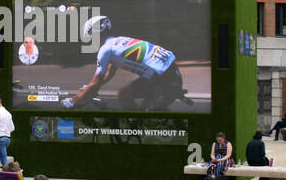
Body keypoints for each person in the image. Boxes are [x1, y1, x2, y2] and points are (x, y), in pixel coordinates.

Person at [60, 15, 191, 111]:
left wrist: (73, 101)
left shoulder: (105, 50)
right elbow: (108, 75)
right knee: (124, 94)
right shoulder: (119, 41)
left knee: (144, 118)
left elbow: (96, 83)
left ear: (94, 35)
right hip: (167, 74)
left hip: (163, 80)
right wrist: (90, 88)